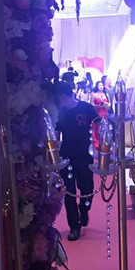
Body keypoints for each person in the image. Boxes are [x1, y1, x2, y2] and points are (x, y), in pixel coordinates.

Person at [55, 81, 98, 241]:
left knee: (87, 187)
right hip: (66, 156)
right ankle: (74, 225)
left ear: (64, 95)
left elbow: (99, 125)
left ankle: (84, 208)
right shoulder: (60, 113)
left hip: (85, 155)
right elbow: (56, 134)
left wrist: (102, 145)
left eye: (59, 97)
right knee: (69, 192)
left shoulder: (86, 108)